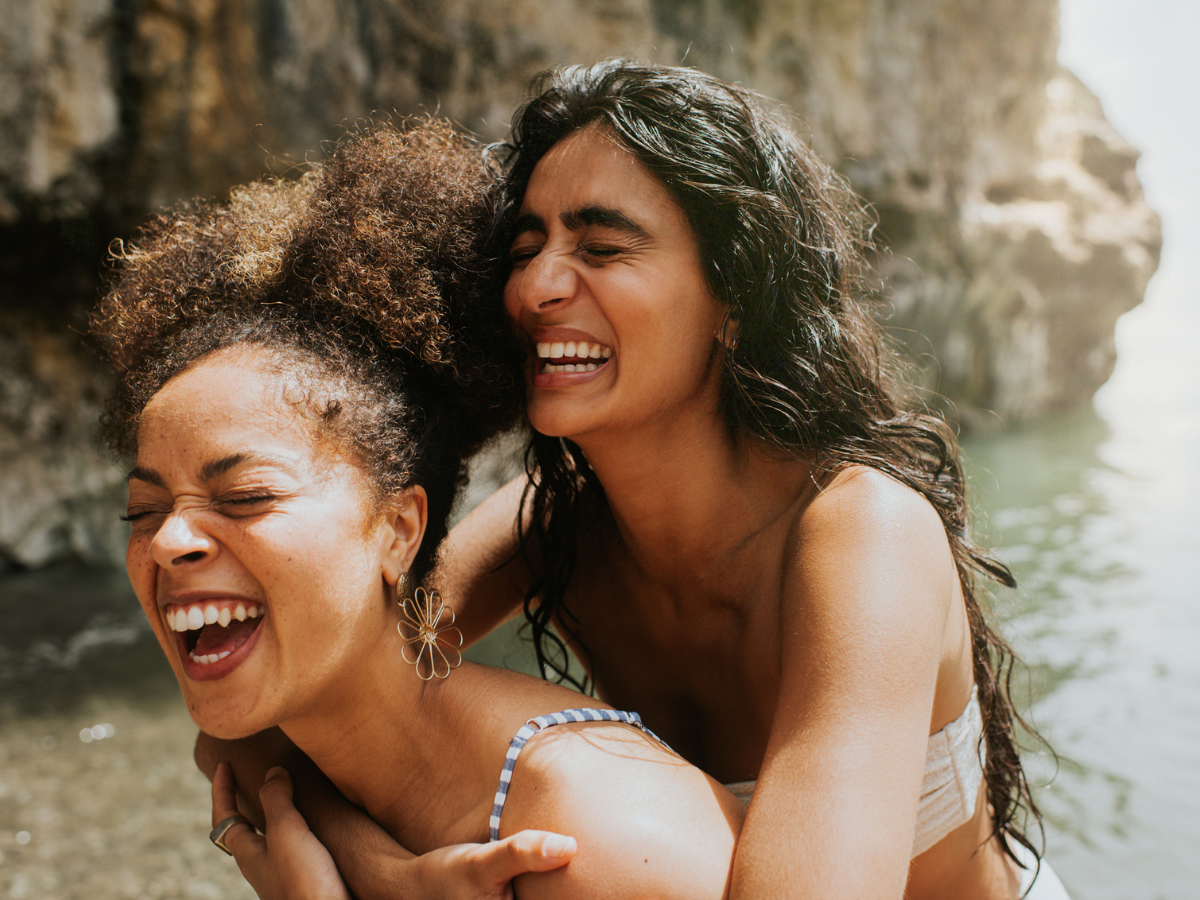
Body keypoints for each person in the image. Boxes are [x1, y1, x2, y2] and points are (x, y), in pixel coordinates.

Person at [207, 62, 1071, 899]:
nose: (537, 284)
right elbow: (267, 694)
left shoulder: (865, 535)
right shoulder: (555, 530)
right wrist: (381, 870)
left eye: (603, 245)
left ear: (735, 297)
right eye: (525, 246)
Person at [90, 119, 745, 900]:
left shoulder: (588, 840)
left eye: (246, 496)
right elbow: (224, 747)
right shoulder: (291, 749)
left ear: (399, 530)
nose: (168, 541)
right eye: (142, 511)